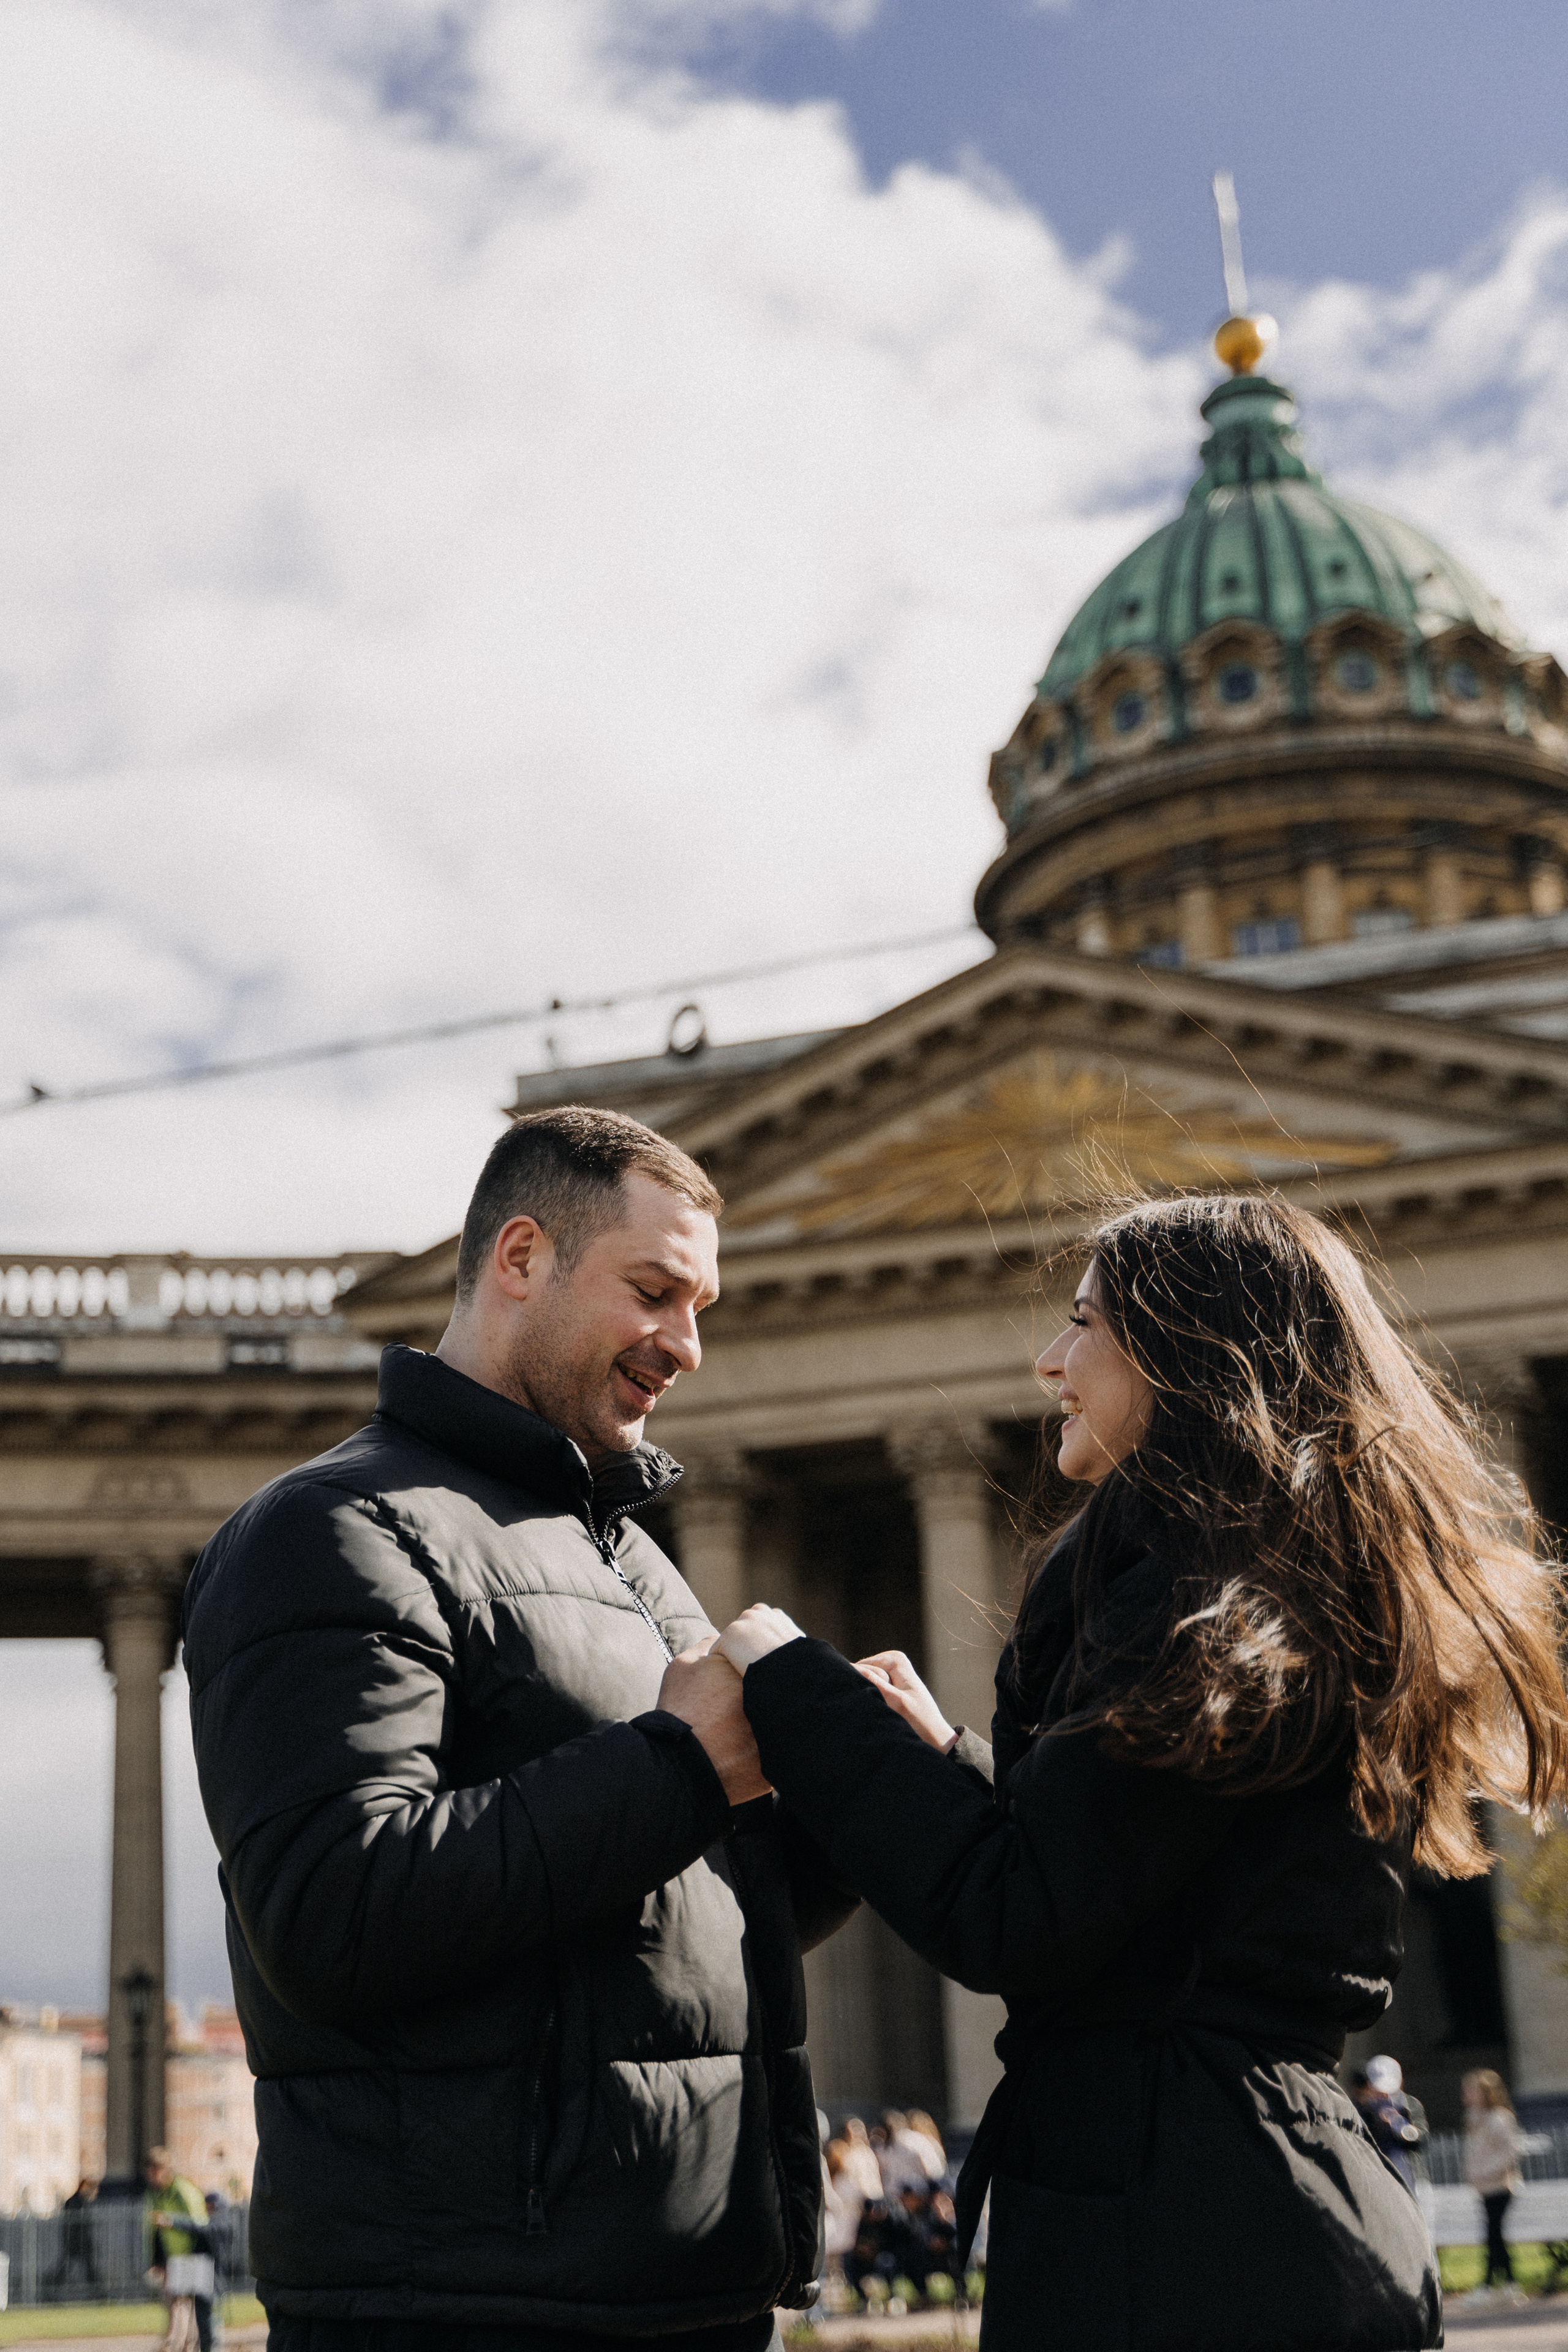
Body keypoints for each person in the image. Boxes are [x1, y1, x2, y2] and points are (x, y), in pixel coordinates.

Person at [706, 1194, 1568, 2351]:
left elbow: (1022, 1917)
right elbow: (1121, 1872)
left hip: (1193, 2235)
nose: (1051, 1360)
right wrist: (943, 1761)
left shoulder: (1194, 1599)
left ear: (1187, 1348)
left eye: (1083, 1323)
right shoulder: (1252, 1581)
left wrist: (784, 1677)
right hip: (1248, 2206)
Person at [184, 1107, 856, 2349]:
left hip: (680, 2299)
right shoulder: (330, 1532)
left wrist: (851, 1805)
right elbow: (331, 1916)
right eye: (655, 1291)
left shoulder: (639, 1573)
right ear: (521, 1260)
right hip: (467, 2309)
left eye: (700, 1305)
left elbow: (669, 1917)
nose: (688, 1345)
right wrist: (680, 1760)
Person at [145, 2146, 214, 2352]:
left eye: (155, 2171)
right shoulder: (159, 2194)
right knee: (177, 2303)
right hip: (173, 2256)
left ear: (166, 2169)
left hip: (190, 2255)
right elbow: (155, 2231)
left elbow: (200, 2225)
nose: (152, 2177)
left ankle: (176, 2345)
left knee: (181, 2304)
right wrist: (156, 2259)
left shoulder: (182, 2190)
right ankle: (182, 2345)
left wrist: (172, 2222)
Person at [1464, 2068, 1524, 2293]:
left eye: (1472, 2090)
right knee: (1493, 2235)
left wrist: (1484, 2172)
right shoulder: (1474, 2118)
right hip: (1485, 2188)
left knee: (1494, 2235)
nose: (1467, 2095)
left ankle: (1491, 2284)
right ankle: (1507, 2282)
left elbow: (1510, 2153)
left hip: (1500, 2186)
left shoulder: (1499, 2118)